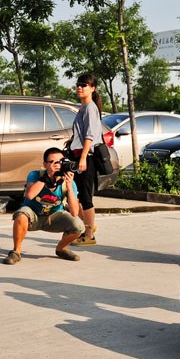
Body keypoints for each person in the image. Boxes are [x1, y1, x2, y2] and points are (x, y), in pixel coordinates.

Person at [3, 147, 85, 265]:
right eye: (52, 162)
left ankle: (61, 248)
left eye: (60, 162)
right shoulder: (36, 175)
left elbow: (74, 212)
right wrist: (46, 177)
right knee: (21, 215)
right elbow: (30, 195)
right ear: (45, 164)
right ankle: (16, 252)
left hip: (54, 217)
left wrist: (69, 186)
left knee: (78, 225)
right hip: (33, 215)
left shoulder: (68, 181)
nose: (57, 165)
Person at [69, 73, 103, 246]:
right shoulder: (83, 108)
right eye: (79, 84)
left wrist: (83, 158)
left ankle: (89, 235)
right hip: (79, 155)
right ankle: (88, 227)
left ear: (93, 88)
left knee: (85, 197)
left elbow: (90, 135)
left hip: (87, 157)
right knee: (77, 195)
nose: (80, 87)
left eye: (85, 85)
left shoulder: (90, 108)